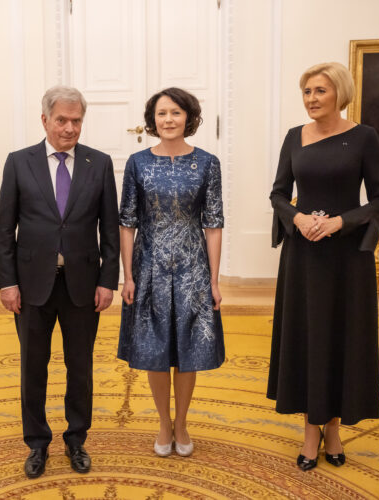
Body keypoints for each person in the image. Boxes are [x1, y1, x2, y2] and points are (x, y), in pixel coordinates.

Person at [267, 62, 379, 471]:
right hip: (303, 256)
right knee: (307, 337)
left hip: (345, 259)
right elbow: (279, 194)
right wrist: (298, 218)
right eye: (306, 92)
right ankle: (309, 430)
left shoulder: (364, 138)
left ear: (340, 92)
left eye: (319, 91)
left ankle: (334, 429)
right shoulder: (293, 138)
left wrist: (340, 222)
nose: (311, 99)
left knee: (340, 338)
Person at [0, 85, 119, 479]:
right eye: (62, 120)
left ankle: (76, 438)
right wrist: (7, 282)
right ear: (45, 119)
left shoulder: (99, 163)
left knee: (79, 367)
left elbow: (110, 229)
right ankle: (36, 443)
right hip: (31, 285)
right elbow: (4, 229)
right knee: (34, 366)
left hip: (83, 283)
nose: (69, 128)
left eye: (76, 120)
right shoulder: (19, 162)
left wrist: (108, 280)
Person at [118, 87, 225, 458]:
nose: (168, 120)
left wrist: (213, 279)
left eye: (176, 113)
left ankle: (182, 422)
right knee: (154, 349)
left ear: (188, 118)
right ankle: (164, 422)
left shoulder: (209, 163)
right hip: (149, 268)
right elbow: (127, 221)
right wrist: (128, 275)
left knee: (189, 349)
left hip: (193, 268)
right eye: (162, 113)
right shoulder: (137, 163)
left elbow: (213, 222)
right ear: (153, 120)